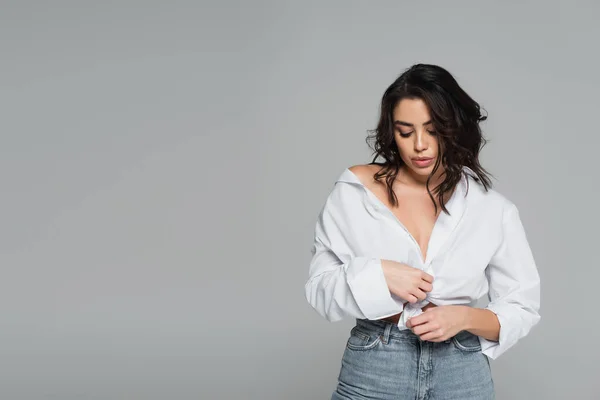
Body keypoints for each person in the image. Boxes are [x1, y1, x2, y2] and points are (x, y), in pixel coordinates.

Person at [304, 63, 541, 400]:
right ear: (391, 132)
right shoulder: (355, 192)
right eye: (405, 131)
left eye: (433, 130)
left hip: (461, 369)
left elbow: (523, 306)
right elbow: (319, 292)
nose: (419, 145)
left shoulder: (492, 208)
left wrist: (464, 317)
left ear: (454, 128)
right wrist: (380, 274)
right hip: (376, 364)